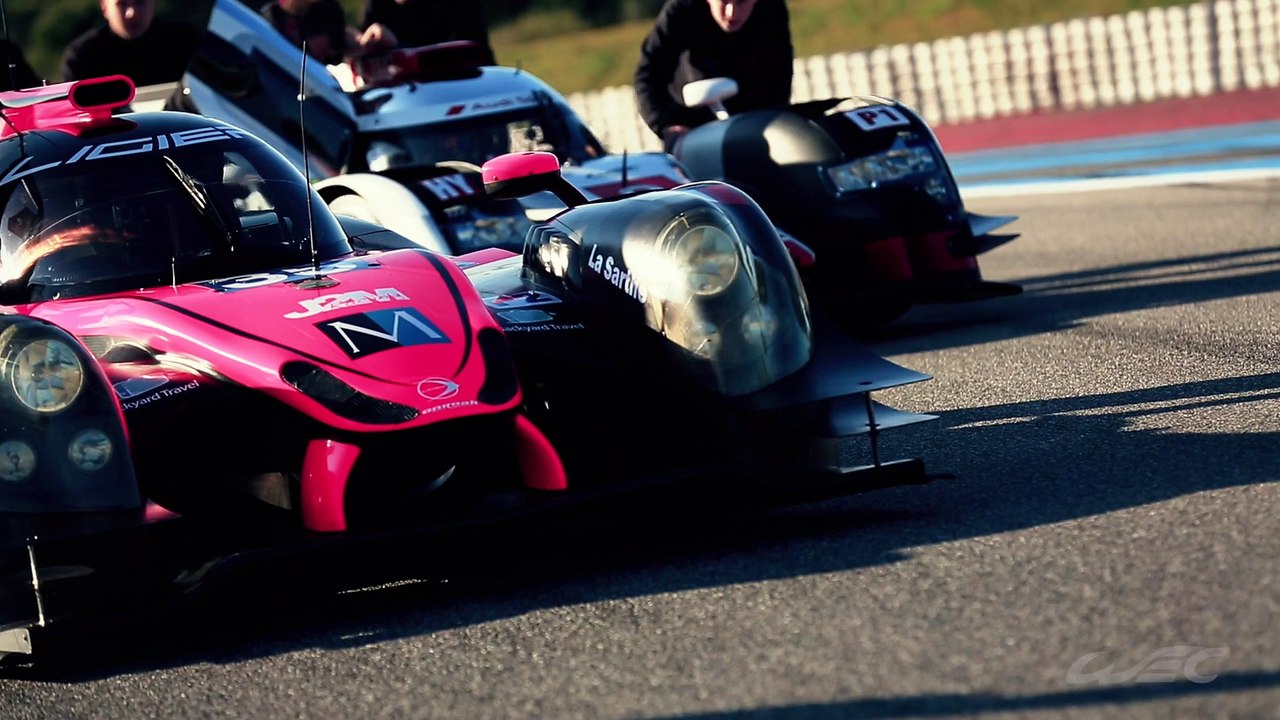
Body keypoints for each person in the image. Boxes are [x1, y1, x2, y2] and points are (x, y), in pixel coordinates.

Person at [633, 0, 793, 153]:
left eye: (742, 1)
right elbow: (647, 74)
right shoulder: (682, 9)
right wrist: (666, 125)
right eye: (723, 1)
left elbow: (779, 74)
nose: (731, 13)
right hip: (692, 132)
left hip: (753, 126)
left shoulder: (772, 9)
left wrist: (773, 121)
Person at [61, 0, 201, 86]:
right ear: (104, 7)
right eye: (121, 4)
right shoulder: (83, 57)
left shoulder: (185, 43)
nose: (131, 13)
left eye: (140, 2)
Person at [358, 0, 496, 65]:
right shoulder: (378, 6)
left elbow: (478, 54)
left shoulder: (459, 6)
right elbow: (359, 61)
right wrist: (370, 43)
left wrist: (397, 46)